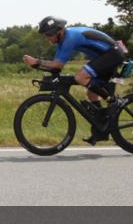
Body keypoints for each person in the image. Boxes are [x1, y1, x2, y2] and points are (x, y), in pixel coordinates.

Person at [22, 17, 126, 145]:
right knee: (91, 93)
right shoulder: (62, 41)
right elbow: (56, 67)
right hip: (106, 55)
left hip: (113, 53)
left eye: (49, 35)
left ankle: (113, 101)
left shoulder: (70, 38)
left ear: (59, 32)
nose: (47, 38)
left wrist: (37, 61)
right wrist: (37, 65)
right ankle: (101, 126)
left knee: (80, 77)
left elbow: (58, 64)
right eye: (45, 35)